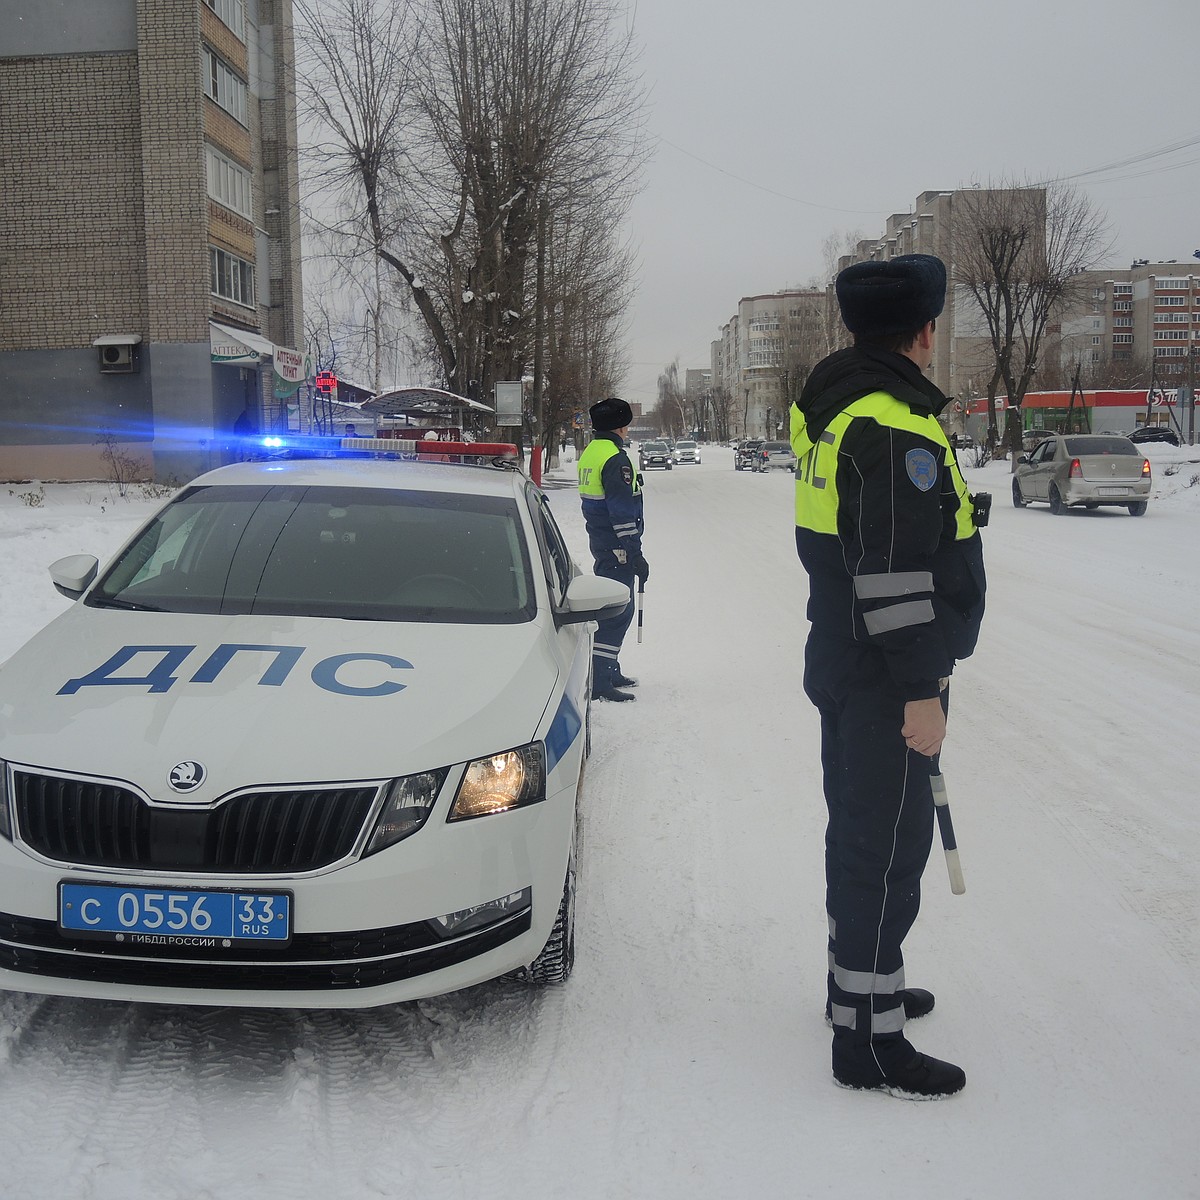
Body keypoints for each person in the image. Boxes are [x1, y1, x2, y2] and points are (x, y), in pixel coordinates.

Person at [790, 254, 987, 1098]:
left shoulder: (835, 407)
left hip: (845, 653)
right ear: (926, 330)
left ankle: (858, 985)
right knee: (887, 848)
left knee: (861, 834)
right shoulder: (893, 423)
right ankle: (868, 1041)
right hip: (883, 671)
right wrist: (920, 689)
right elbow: (896, 575)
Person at [577, 397, 649, 702]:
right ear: (622, 425)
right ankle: (601, 678)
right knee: (619, 610)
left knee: (615, 605)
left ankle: (609, 667)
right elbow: (620, 512)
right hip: (616, 543)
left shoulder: (592, 452)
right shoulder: (616, 459)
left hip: (600, 539)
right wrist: (634, 552)